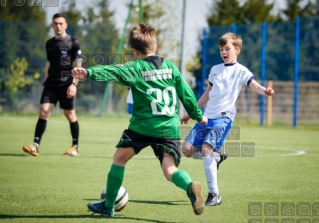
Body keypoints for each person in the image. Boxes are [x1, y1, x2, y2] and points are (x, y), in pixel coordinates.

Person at [72, 23, 208, 217]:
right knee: (170, 170)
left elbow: (113, 71)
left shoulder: (135, 67)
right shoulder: (170, 67)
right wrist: (198, 116)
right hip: (169, 127)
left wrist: (89, 72)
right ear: (156, 46)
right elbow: (186, 94)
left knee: (119, 159)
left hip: (143, 127)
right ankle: (189, 186)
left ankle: (108, 206)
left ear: (135, 51)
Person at [181, 32, 275, 206]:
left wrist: (266, 91)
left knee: (207, 150)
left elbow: (255, 86)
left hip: (223, 119)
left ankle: (214, 195)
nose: (223, 52)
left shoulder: (241, 71)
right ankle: (216, 158)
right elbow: (207, 94)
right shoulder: (215, 69)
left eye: (227, 48)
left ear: (237, 50)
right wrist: (191, 112)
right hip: (206, 117)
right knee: (186, 150)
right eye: (221, 49)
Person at [22, 13, 81, 157]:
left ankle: (75, 147)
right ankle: (35, 145)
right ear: (52, 25)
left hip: (67, 84)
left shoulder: (73, 42)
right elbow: (49, 63)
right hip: (51, 84)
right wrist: (46, 81)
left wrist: (74, 85)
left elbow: (78, 65)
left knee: (70, 114)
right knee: (43, 111)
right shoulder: (49, 43)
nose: (58, 26)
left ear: (66, 25)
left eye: (61, 23)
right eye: (56, 23)